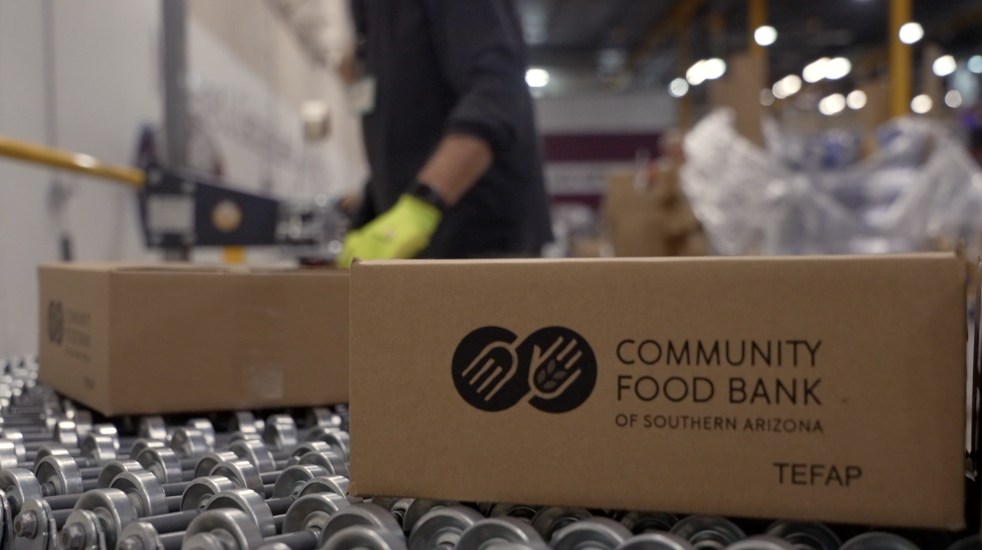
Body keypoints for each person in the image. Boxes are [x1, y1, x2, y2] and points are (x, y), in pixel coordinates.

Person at [336, 0, 552, 267]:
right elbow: (406, 132)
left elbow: (498, 94)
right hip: (416, 250)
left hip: (482, 249)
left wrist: (422, 206)